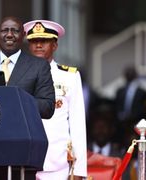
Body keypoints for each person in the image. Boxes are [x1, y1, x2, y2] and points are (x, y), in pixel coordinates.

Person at [24, 20, 87, 179]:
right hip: (24, 161)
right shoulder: (17, 76)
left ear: (55, 45)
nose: (38, 45)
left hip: (58, 164)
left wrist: (78, 170)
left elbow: (77, 124)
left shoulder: (69, 77)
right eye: (33, 41)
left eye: (44, 41)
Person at [0, 16, 55, 119]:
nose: (9, 35)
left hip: (21, 132)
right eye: (4, 31)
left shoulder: (39, 66)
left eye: (15, 31)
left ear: (23, 35)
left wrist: (15, 100)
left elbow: (47, 108)